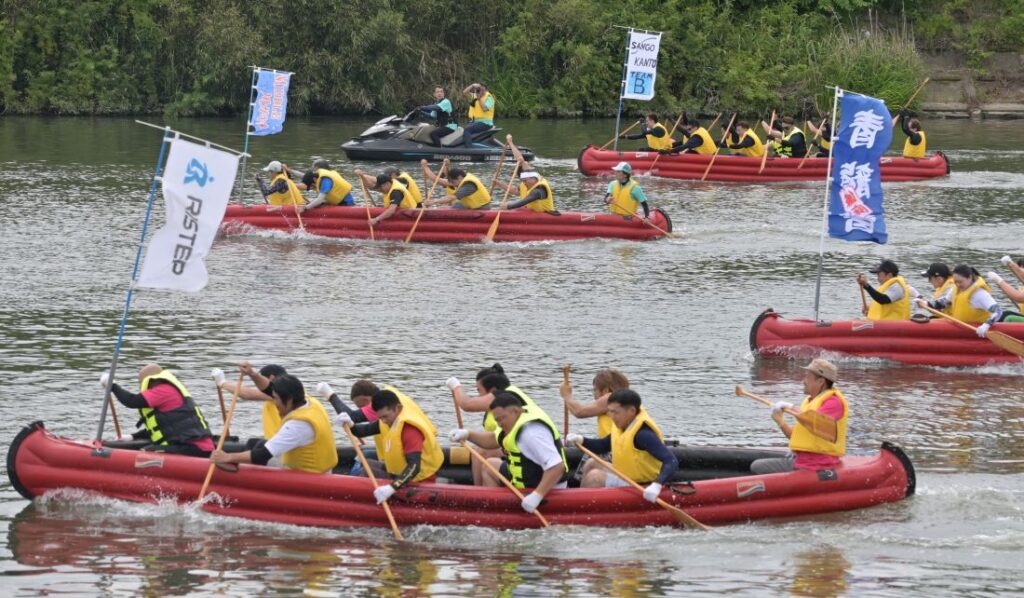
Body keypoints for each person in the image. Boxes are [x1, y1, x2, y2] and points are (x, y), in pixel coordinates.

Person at [449, 391, 569, 513]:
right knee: (490, 465)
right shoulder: (516, 418)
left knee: (491, 464)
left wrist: (536, 496)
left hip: (546, 487)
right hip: (527, 474)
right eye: (497, 420)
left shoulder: (531, 434)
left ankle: (499, 513)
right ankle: (494, 509)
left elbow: (556, 466)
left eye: (502, 419)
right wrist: (468, 434)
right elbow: (493, 439)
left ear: (515, 411)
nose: (499, 424)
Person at [564, 389, 678, 502]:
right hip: (626, 474)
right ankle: (579, 502)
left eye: (615, 412)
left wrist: (657, 485)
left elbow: (671, 460)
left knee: (594, 477)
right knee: (591, 463)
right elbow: (602, 445)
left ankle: (584, 509)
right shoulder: (623, 426)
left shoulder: (643, 434)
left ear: (631, 411)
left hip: (642, 484)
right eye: (610, 411)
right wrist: (581, 440)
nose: (611, 416)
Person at [211, 373, 339, 474]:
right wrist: (252, 373)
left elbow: (262, 455)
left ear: (289, 400)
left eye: (276, 399)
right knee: (256, 443)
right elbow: (268, 389)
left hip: (309, 476)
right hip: (321, 468)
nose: (275, 403)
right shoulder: (310, 401)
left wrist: (228, 458)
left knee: (258, 451)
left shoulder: (297, 425)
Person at [337, 389, 444, 503]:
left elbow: (414, 467)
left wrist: (391, 488)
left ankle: (354, 501)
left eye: (385, 416)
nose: (383, 421)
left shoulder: (409, 430)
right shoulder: (388, 419)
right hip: (398, 472)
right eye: (380, 418)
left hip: (419, 479)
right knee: (366, 462)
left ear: (398, 408)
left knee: (365, 472)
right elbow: (361, 431)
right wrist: (350, 423)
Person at [750, 358, 848, 475]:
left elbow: (814, 421)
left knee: (757, 466)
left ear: (821, 381)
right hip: (803, 460)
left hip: (817, 464)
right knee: (758, 463)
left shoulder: (833, 402)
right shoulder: (810, 402)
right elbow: (796, 437)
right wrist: (780, 422)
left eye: (807, 377)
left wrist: (791, 406)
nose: (804, 381)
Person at [103, 364, 214, 457]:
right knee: (146, 448)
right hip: (185, 444)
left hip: (194, 447)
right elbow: (163, 429)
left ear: (151, 379)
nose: (141, 386)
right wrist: (132, 437)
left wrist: (112, 386)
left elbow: (132, 401)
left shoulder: (163, 390)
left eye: (141, 382)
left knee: (145, 453)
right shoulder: (167, 390)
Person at [916, 264, 1012, 333]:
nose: (957, 285)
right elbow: (943, 302)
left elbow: (998, 311)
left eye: (960, 282)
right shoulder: (956, 289)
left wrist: (986, 325)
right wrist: (925, 303)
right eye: (955, 282)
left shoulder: (979, 294)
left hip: (975, 329)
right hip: (959, 327)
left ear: (969, 277)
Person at [214, 362, 288, 440]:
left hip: (281, 445)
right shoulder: (283, 393)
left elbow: (248, 394)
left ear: (271, 378)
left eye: (261, 379)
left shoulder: (283, 393)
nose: (258, 386)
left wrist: (222, 383)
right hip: (273, 442)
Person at [499, 134, 555, 213]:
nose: (524, 183)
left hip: (545, 216)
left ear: (533, 179)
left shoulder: (539, 190)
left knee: (513, 207)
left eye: (525, 181)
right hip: (533, 213)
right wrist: (510, 143)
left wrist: (508, 206)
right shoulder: (529, 181)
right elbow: (519, 160)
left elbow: (525, 201)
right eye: (523, 181)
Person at [420, 160, 491, 209]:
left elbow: (451, 197)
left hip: (480, 208)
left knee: (451, 206)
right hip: (471, 205)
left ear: (459, 177)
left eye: (453, 182)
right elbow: (437, 180)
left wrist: (434, 201)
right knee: (453, 205)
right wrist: (426, 168)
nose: (452, 184)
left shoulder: (468, 185)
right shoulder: (459, 181)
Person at [354, 167, 423, 208]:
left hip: (414, 209)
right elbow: (375, 182)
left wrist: (363, 176)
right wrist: (362, 176)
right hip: (408, 206)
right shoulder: (400, 178)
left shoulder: (402, 181)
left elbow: (374, 182)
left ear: (393, 174)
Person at [461, 82, 495, 146]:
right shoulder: (475, 95)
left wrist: (479, 99)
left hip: (486, 123)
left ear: (486, 90)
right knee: (461, 129)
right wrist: (472, 85)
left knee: (467, 130)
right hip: (475, 122)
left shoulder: (489, 97)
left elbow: (484, 109)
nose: (481, 92)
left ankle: (469, 150)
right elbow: (464, 93)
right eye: (479, 90)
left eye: (483, 90)